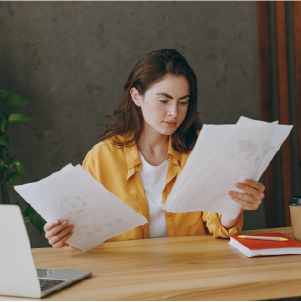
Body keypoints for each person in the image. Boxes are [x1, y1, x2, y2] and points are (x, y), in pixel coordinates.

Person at [44, 49, 265, 248]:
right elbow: (85, 236)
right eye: (164, 100)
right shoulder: (101, 157)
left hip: (192, 269)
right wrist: (63, 236)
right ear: (136, 96)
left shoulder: (201, 149)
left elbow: (218, 226)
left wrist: (236, 205)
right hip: (127, 278)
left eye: (183, 102)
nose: (174, 112)